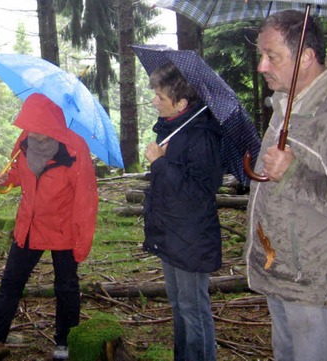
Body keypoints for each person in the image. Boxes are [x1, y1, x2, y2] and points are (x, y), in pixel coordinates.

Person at [245, 10, 327, 361]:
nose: (261, 67)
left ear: (306, 57)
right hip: (282, 273)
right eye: (261, 56)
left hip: (317, 282)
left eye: (272, 57)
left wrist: (294, 175)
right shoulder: (286, 104)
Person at [0, 93, 98, 360]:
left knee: (66, 286)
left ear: (49, 123)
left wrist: (83, 240)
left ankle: (65, 343)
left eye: (35, 124)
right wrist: (2, 181)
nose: (30, 130)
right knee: (10, 283)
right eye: (28, 123)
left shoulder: (74, 148)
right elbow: (15, 176)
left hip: (63, 229)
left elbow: (86, 197)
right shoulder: (25, 141)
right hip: (29, 226)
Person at [142, 62, 223, 361]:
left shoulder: (202, 136)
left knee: (193, 308)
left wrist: (160, 164)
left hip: (191, 235)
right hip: (171, 231)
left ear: (182, 103)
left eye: (160, 97)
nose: (154, 101)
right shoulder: (172, 128)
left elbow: (200, 192)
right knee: (178, 304)